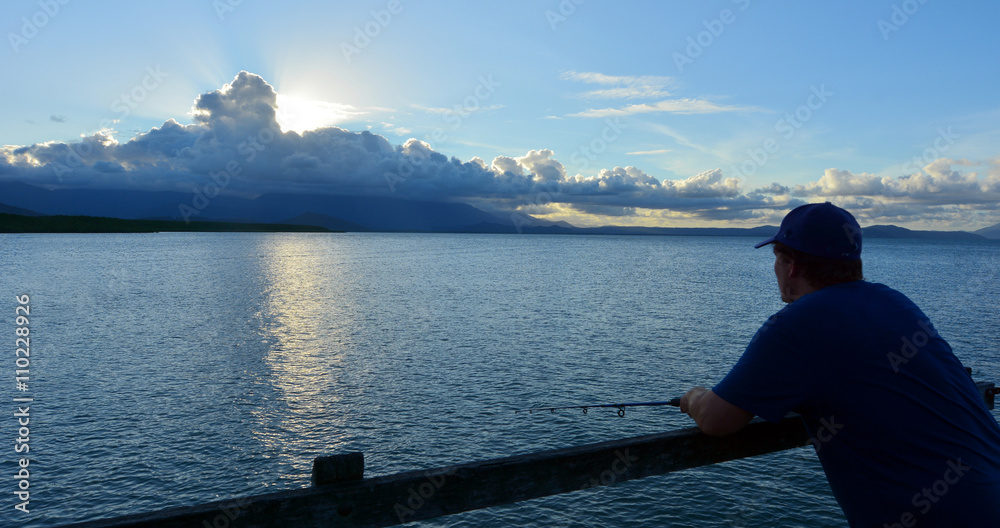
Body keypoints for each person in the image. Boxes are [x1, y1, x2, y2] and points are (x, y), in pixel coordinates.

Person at [679, 202, 1000, 527]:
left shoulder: (796, 325)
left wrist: (693, 398)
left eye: (776, 257)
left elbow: (716, 419)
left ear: (791, 266)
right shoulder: (896, 302)